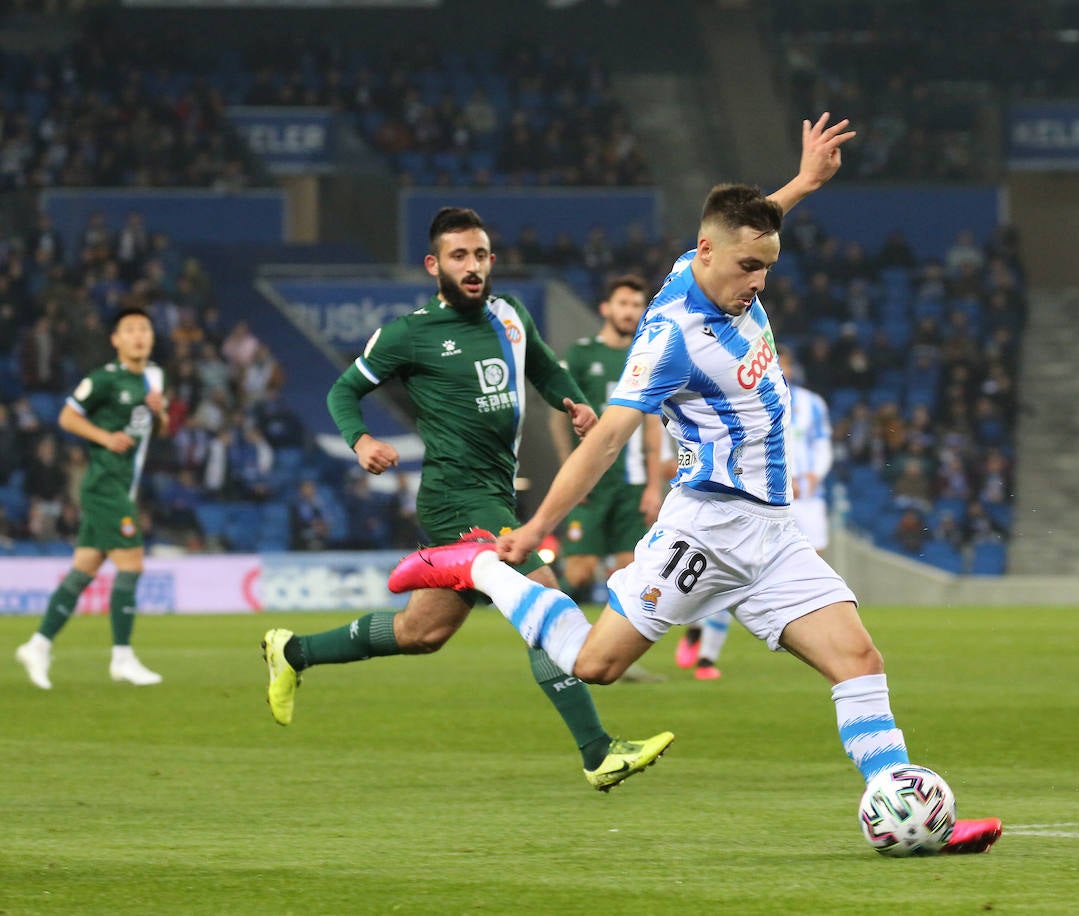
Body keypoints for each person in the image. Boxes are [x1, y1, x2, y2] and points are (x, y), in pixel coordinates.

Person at [388, 115, 1000, 853]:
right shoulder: (672, 335)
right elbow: (608, 437)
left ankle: (908, 811)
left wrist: (803, 183)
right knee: (595, 665)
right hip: (703, 531)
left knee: (858, 658)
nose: (758, 283)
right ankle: (479, 567)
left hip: (771, 533)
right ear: (709, 257)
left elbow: (746, 226)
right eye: (748, 269)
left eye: (766, 268)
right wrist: (534, 528)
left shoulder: (704, 259)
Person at [260, 207, 672, 792]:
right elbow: (344, 390)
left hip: (492, 492)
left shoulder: (511, 316)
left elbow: (547, 370)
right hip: (457, 499)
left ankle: (293, 652)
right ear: (434, 265)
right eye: (459, 256)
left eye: (480, 255)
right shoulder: (410, 332)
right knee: (544, 604)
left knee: (421, 633)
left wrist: (576, 404)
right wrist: (361, 440)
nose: (473, 266)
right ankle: (598, 751)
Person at [15, 307, 167, 689]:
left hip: (123, 484)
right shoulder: (102, 379)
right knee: (131, 563)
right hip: (105, 486)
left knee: (83, 569)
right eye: (129, 329)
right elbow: (67, 417)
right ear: (115, 339)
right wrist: (104, 438)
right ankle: (122, 657)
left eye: (144, 329)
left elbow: (155, 431)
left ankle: (38, 644)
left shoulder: (153, 378)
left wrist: (160, 415)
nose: (138, 335)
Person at [674, 344, 833, 680]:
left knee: (809, 564)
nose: (782, 370)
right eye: (777, 363)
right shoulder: (748, 400)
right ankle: (705, 651)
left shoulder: (811, 405)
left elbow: (822, 444)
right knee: (735, 571)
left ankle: (799, 627)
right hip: (758, 498)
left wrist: (814, 474)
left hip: (806, 497)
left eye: (786, 364)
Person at [549, 275, 665, 605]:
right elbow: (558, 417)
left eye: (636, 305)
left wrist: (654, 486)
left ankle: (608, 651)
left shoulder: (646, 358)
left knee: (628, 572)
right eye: (623, 304)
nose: (630, 312)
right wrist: (569, 470)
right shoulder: (581, 355)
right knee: (579, 571)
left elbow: (653, 425)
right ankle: (547, 626)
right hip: (590, 482)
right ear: (606, 308)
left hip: (631, 486)